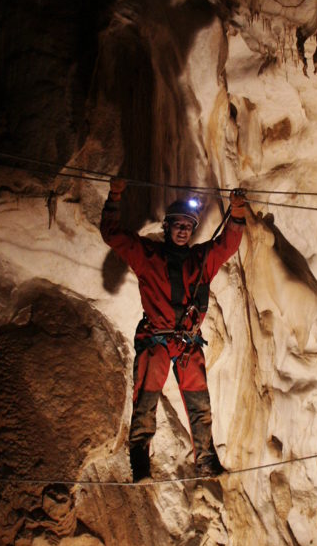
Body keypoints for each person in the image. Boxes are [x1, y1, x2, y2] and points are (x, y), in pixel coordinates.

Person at [100, 178, 246, 481]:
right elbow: (112, 234)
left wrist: (237, 213)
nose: (183, 230)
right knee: (146, 399)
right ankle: (139, 461)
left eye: (188, 226)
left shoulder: (200, 260)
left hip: (188, 343)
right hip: (156, 338)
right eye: (178, 225)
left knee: (199, 404)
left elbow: (227, 245)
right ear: (167, 228)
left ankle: (206, 460)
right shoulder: (147, 255)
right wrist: (115, 196)